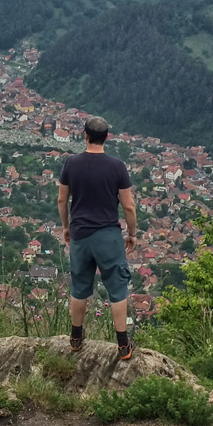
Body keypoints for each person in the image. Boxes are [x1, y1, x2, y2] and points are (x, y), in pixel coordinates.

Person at [57, 116, 138, 360]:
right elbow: (129, 206)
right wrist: (132, 233)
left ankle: (75, 338)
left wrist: (66, 227)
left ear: (85, 135)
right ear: (107, 137)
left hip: (81, 234)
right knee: (117, 286)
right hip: (108, 236)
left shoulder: (71, 164)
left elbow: (62, 200)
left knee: (80, 285)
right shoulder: (117, 167)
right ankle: (123, 344)